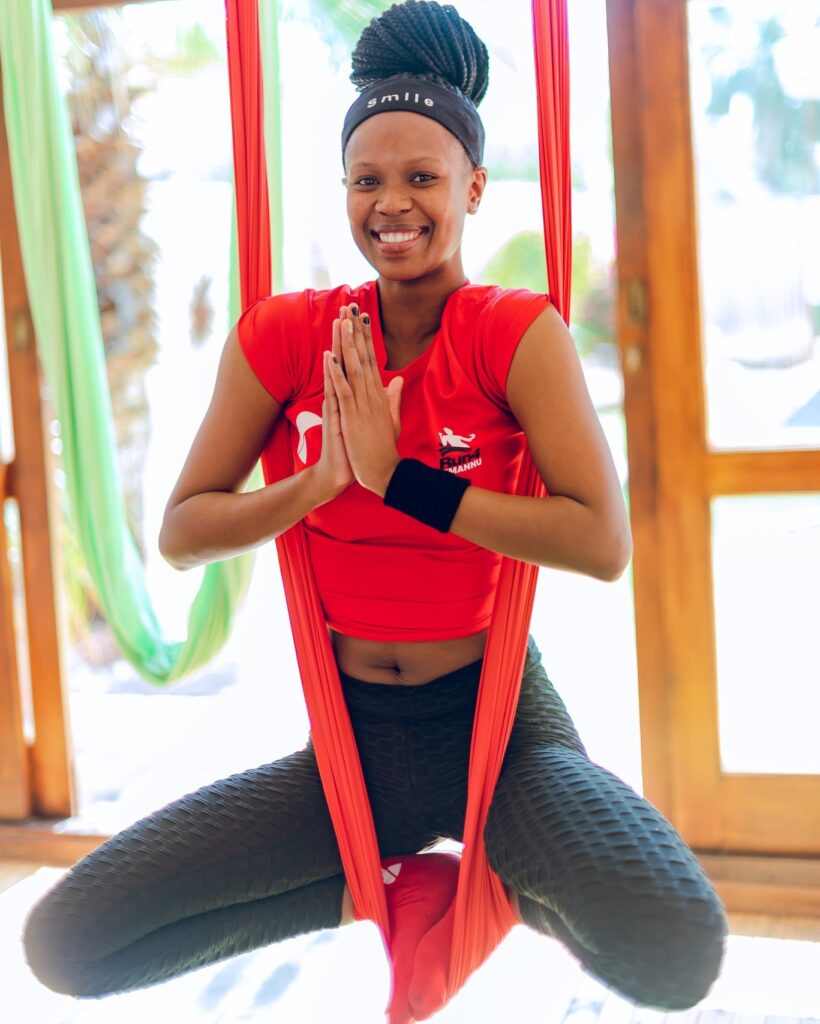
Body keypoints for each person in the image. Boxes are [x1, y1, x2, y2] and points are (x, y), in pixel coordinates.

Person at [21, 1, 728, 1020]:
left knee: (673, 951)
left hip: (502, 729)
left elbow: (600, 542)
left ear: (473, 187)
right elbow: (183, 531)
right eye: (368, 178)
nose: (392, 203)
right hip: (353, 755)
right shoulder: (290, 336)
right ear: (345, 190)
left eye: (421, 177)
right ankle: (367, 884)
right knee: (67, 943)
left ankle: (495, 880)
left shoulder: (513, 335)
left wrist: (407, 481)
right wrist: (318, 484)